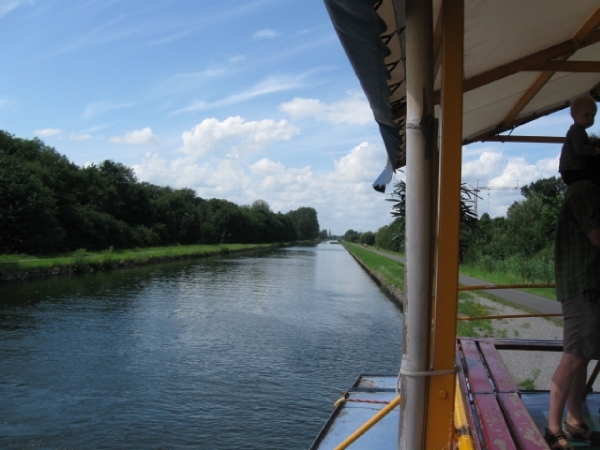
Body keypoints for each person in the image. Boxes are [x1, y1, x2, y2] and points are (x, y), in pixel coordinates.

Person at [545, 180, 600, 450]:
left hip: (588, 285)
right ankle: (553, 428)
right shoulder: (586, 190)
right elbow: (597, 235)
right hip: (584, 285)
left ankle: (574, 421)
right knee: (575, 356)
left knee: (582, 355)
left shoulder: (582, 189)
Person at [559, 96, 600, 187]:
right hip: (572, 170)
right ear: (574, 115)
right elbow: (580, 149)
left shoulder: (579, 131)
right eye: (586, 115)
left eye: (592, 116)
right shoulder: (576, 131)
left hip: (573, 170)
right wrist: (595, 150)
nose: (590, 119)